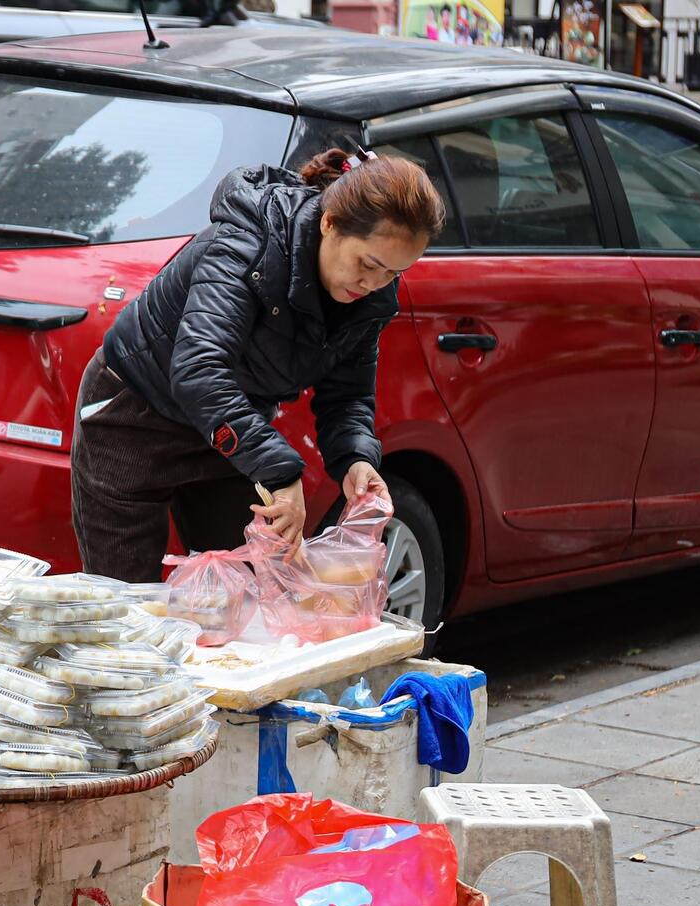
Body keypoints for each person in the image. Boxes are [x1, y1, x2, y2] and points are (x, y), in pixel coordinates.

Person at [69, 149, 446, 582]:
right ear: (330, 223)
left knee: (244, 594)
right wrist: (280, 472)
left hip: (234, 429)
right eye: (369, 265)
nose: (374, 284)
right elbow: (199, 371)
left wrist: (355, 458)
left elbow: (347, 395)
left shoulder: (371, 299)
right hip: (135, 414)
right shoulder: (248, 247)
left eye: (393, 273)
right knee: (124, 602)